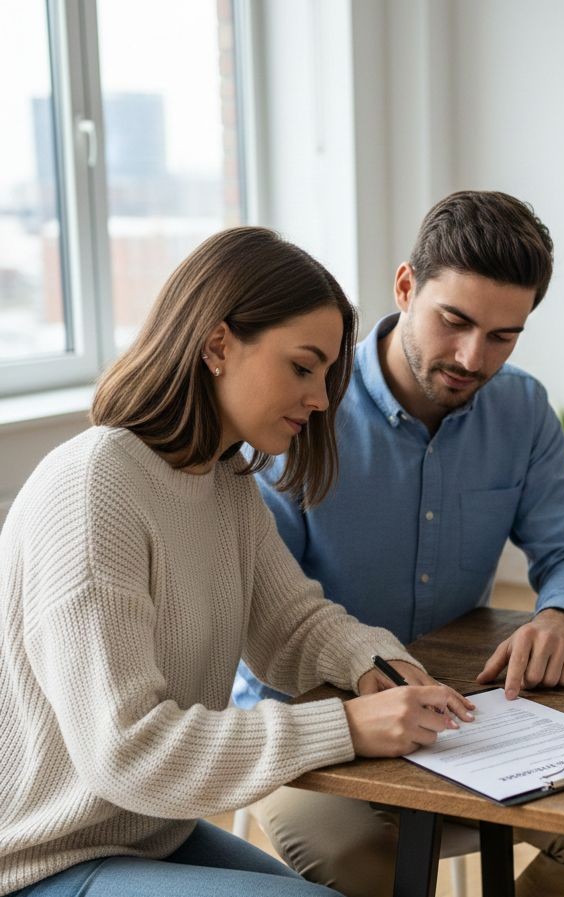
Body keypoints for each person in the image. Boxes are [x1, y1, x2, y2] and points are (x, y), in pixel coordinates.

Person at [0, 226, 474, 897]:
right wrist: (345, 726)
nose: (321, 399)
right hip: (43, 857)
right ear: (218, 344)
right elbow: (125, 751)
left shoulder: (223, 481)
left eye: (327, 375)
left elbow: (293, 625)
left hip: (148, 833)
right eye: (303, 367)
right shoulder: (95, 487)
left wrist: (374, 663)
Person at [233, 191, 564, 897]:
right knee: (366, 863)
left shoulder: (520, 407)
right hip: (311, 715)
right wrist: (359, 692)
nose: (472, 357)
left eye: (503, 336)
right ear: (405, 287)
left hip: (465, 711)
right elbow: (266, 617)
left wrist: (563, 616)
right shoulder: (301, 407)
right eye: (454, 321)